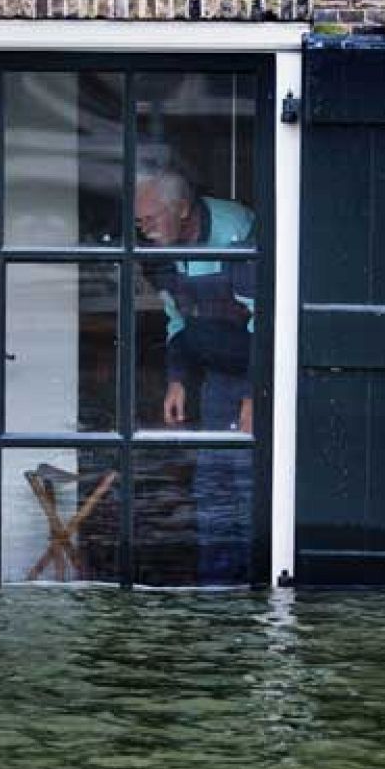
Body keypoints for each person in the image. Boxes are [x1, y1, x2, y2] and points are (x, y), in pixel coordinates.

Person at [133, 168, 256, 584]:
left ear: (183, 210)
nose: (143, 229)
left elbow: (266, 321)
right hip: (217, 378)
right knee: (213, 487)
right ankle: (215, 594)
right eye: (138, 221)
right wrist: (177, 378)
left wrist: (257, 394)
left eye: (151, 219)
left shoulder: (239, 235)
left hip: (254, 374)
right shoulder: (160, 249)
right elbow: (175, 316)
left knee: (247, 486)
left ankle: (254, 592)